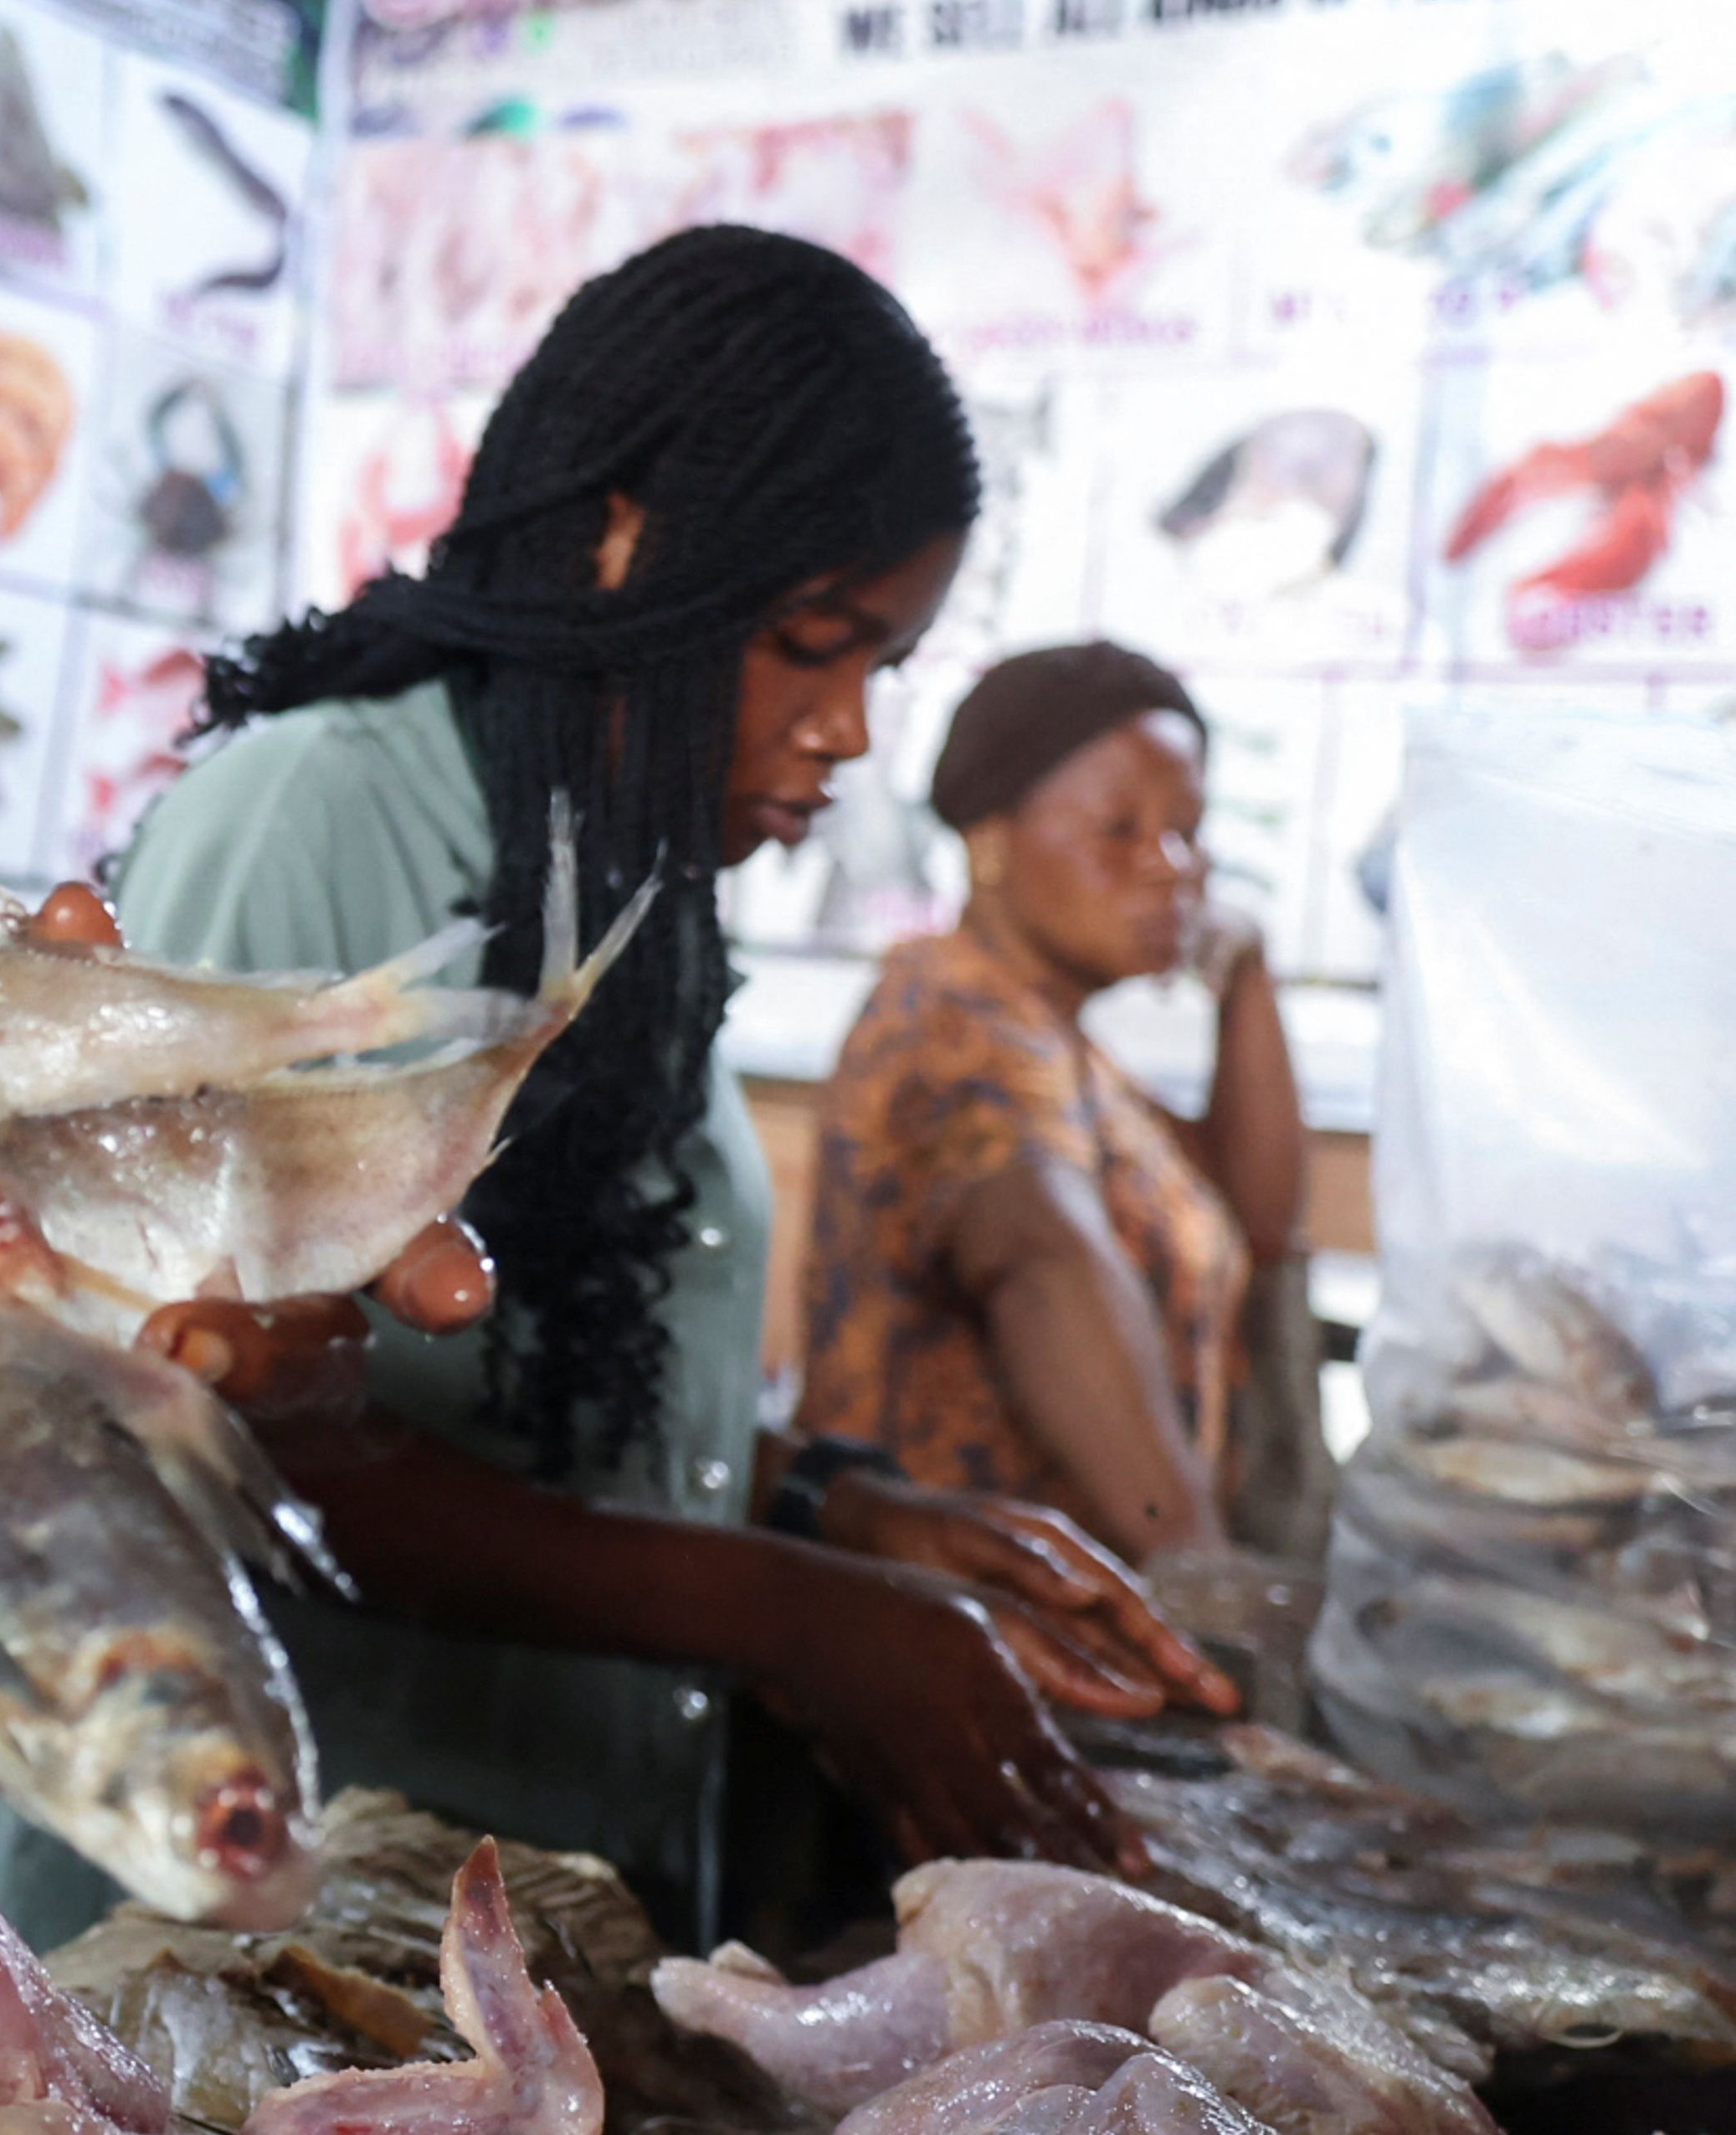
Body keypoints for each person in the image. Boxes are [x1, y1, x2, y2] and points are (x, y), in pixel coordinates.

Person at [112, 226, 1235, 1939]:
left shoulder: (627, 879)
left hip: (549, 1904)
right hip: (262, 1919)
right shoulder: (312, 817)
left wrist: (828, 1505)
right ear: (624, 547)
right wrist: (787, 1610)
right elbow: (198, 1427)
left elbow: (540, 1369)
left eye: (883, 664)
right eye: (812, 640)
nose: (848, 729)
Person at [798, 641, 1306, 1557]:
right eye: (1120, 828)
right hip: (959, 1633)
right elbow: (1042, 1258)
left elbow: (1258, 1224)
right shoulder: (955, 1027)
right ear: (988, 840)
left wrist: (1247, 977)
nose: (1170, 864)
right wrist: (1207, 1589)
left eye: (1188, 830)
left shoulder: (1058, 1039)